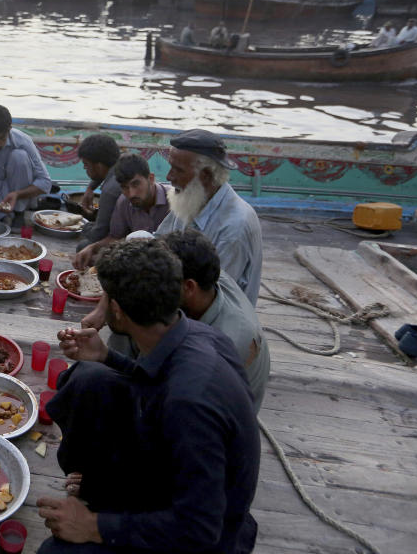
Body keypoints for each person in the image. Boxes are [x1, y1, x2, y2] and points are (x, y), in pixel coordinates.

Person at [38, 239, 260, 554]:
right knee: (90, 377)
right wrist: (106, 356)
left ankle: (100, 506)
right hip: (169, 468)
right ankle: (95, 485)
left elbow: (200, 528)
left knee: (55, 551)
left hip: (204, 535)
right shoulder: (196, 334)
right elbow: (154, 381)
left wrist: (95, 527)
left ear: (116, 309)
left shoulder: (189, 404)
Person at [161, 229, 270, 412]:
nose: (158, 286)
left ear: (188, 287)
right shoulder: (210, 279)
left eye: (162, 281)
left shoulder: (224, 344)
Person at [156, 129, 262, 305]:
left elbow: (212, 296)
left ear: (205, 175)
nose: (169, 177)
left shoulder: (235, 225)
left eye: (178, 170)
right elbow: (158, 241)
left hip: (215, 316)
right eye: (171, 167)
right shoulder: (189, 198)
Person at [73, 153, 170, 270]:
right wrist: (92, 248)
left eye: (136, 184)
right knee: (87, 252)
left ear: (151, 179)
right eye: (125, 187)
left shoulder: (174, 201)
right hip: (136, 256)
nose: (132, 193)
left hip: (165, 263)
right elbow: (115, 237)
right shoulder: (124, 201)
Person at [74, 134, 122, 252]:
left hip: (124, 238)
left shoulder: (110, 190)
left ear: (99, 166)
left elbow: (98, 235)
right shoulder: (123, 161)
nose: (85, 168)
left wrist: (83, 227)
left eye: (86, 164)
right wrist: (90, 188)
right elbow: (100, 173)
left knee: (83, 246)